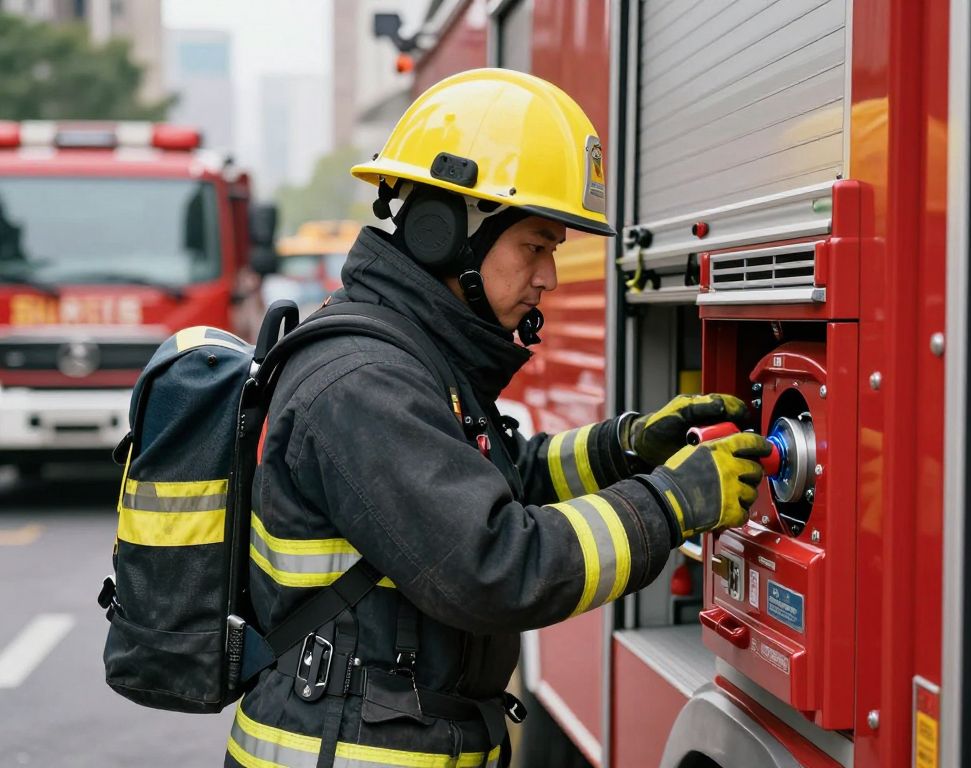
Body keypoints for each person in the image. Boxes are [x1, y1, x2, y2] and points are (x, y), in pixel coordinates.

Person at [225, 68, 771, 768]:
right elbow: (492, 566)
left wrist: (627, 448)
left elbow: (500, 478)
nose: (549, 277)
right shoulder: (364, 383)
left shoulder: (413, 355)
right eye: (535, 246)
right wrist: (669, 504)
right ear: (444, 232)